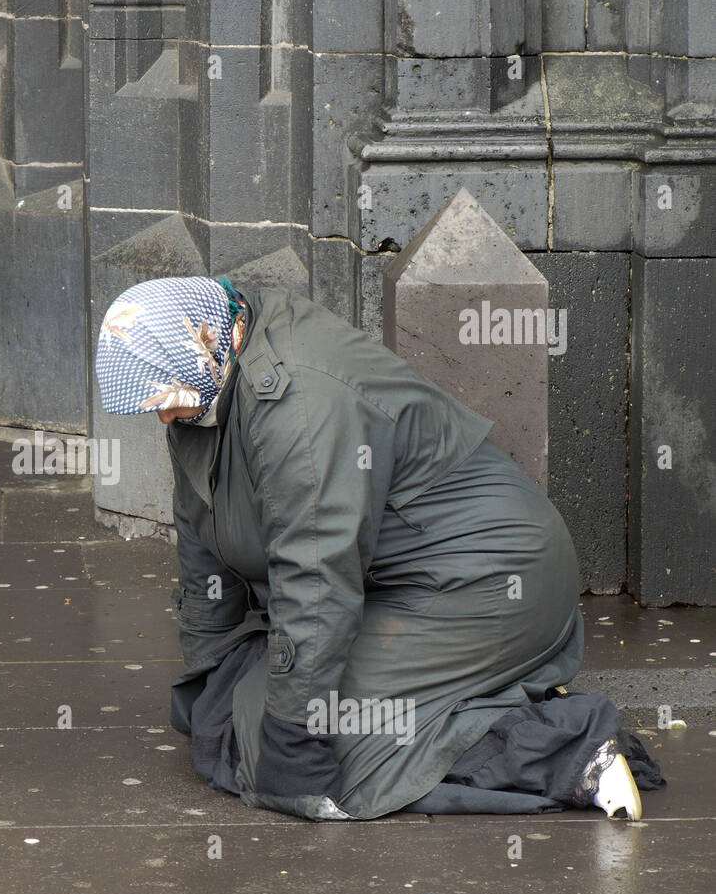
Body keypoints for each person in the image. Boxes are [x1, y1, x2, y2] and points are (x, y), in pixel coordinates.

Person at [95, 277, 664, 821]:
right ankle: (464, 696)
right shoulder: (206, 384)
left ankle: (564, 748)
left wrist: (295, 734)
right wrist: (208, 672)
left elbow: (316, 571)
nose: (165, 415)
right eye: (154, 405)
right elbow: (202, 546)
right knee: (233, 717)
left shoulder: (298, 401)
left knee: (303, 746)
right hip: (397, 587)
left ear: (206, 346)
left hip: (488, 582)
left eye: (166, 397)